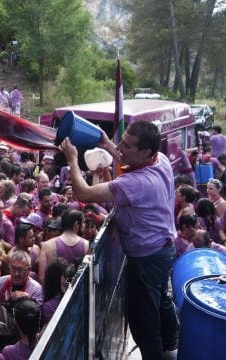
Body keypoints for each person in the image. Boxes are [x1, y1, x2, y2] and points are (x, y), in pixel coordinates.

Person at [59, 121, 178, 359]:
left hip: (146, 259)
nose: (121, 147)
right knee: (162, 302)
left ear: (146, 152)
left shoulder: (135, 183)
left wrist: (73, 159)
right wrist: (105, 142)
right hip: (164, 250)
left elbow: (83, 194)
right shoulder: (160, 160)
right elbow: (127, 157)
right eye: (121, 140)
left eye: (127, 145)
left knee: (144, 324)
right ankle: (171, 345)